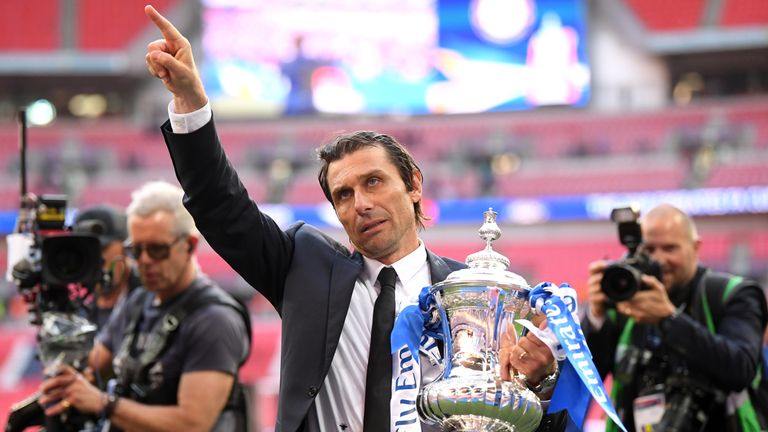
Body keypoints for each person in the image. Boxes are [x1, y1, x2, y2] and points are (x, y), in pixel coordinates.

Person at [143, 5, 563, 432]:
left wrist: (539, 380)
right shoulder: (301, 267)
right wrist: (191, 102)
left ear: (414, 185)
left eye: (374, 182)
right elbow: (220, 206)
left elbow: (506, 412)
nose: (360, 203)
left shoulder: (468, 297)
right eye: (343, 194)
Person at [39, 181, 252, 432]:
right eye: (136, 250)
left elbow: (193, 424)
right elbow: (92, 365)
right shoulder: (138, 302)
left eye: (157, 249)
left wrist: (103, 404)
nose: (145, 261)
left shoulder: (214, 319)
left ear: (189, 246)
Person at [583, 203, 768, 431]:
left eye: (670, 248)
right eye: (649, 249)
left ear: (695, 247)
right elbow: (588, 378)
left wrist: (667, 319)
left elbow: (741, 370)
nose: (659, 260)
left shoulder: (733, 294)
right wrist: (595, 317)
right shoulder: (627, 300)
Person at [73, 204, 138, 329]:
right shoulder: (78, 309)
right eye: (84, 252)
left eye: (101, 249)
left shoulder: (150, 297)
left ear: (126, 247)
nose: (93, 258)